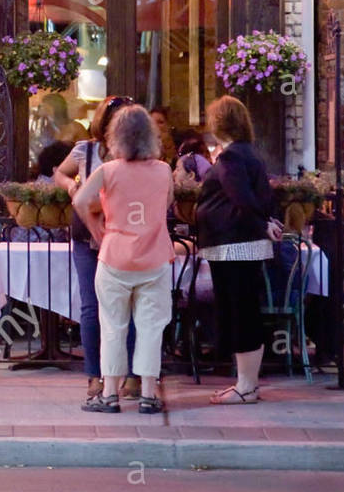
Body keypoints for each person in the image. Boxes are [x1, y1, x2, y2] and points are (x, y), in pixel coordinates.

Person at [73, 106, 175, 414]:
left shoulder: (108, 170)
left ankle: (109, 394)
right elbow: (168, 203)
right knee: (150, 327)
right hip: (154, 257)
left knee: (113, 326)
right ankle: (147, 393)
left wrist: (96, 226)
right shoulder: (163, 170)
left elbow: (80, 200)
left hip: (114, 256)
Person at [195, 95, 284, 405]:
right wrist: (268, 223)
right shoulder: (249, 154)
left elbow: (241, 198)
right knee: (244, 310)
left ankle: (246, 386)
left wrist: (262, 224)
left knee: (240, 313)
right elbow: (260, 198)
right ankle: (245, 384)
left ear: (219, 124)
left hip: (233, 246)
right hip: (242, 246)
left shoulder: (231, 158)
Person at [51, 95, 137, 399]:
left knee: (125, 304)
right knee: (91, 306)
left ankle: (128, 374)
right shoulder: (85, 149)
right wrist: (72, 186)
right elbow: (59, 173)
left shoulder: (134, 152)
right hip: (88, 233)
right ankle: (94, 375)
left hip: (122, 231)